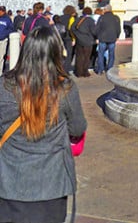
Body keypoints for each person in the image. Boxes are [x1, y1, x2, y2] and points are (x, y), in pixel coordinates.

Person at [0, 25, 87, 223]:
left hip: (9, 182)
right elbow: (77, 128)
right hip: (51, 184)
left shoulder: (3, 86)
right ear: (56, 53)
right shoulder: (65, 88)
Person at [95, 4, 121, 74]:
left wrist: (97, 37)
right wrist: (117, 36)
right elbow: (118, 29)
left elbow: (97, 28)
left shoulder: (101, 18)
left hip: (102, 38)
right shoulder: (116, 18)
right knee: (111, 54)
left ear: (105, 10)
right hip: (112, 38)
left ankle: (101, 70)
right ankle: (110, 69)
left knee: (100, 54)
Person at [71, 7, 97, 77]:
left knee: (79, 57)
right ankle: (85, 72)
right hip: (88, 41)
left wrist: (77, 36)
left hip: (79, 41)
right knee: (86, 57)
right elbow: (94, 31)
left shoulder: (78, 19)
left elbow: (72, 28)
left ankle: (78, 72)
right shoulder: (90, 20)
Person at [60, 5, 77, 73]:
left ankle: (60, 67)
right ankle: (66, 70)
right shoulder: (71, 18)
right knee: (69, 54)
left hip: (61, 37)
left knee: (61, 53)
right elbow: (71, 29)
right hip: (68, 38)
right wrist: (74, 39)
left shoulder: (60, 17)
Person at [0, 7, 13, 72]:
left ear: (3, 11)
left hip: (3, 40)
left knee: (1, 57)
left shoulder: (7, 19)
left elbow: (11, 29)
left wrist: (5, 34)